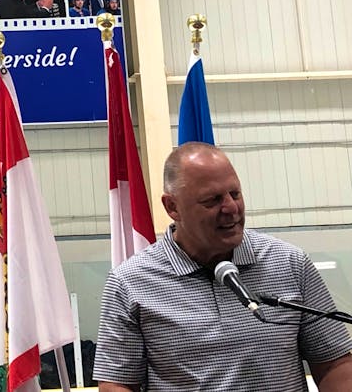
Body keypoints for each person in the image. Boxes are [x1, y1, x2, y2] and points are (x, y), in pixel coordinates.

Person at [94, 142, 352, 391]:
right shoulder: (130, 282)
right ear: (172, 207)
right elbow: (117, 383)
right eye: (212, 200)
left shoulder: (289, 263)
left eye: (235, 193)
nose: (231, 208)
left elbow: (334, 363)